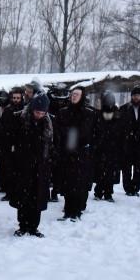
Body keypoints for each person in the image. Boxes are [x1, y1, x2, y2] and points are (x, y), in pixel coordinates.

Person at [9, 93, 53, 237]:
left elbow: (53, 145)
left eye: (42, 112)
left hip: (41, 167)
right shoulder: (20, 119)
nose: (39, 115)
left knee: (37, 197)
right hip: (23, 166)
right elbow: (12, 141)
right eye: (37, 112)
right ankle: (22, 225)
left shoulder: (48, 123)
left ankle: (34, 226)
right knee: (23, 197)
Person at [54, 87, 94, 219]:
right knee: (67, 182)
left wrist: (73, 137)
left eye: (77, 94)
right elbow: (59, 130)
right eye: (72, 94)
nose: (74, 96)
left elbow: (86, 132)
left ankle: (76, 211)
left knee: (79, 183)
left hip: (81, 153)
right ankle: (68, 209)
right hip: (66, 153)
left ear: (82, 96)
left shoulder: (88, 113)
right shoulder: (63, 112)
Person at [119, 86, 140, 196]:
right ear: (131, 96)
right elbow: (121, 125)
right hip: (127, 143)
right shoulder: (124, 108)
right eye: (134, 95)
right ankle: (128, 188)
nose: (136, 97)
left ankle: (135, 188)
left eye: (138, 95)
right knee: (126, 168)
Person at [91, 92, 122, 202]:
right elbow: (94, 130)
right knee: (100, 171)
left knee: (110, 172)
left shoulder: (118, 114)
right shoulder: (98, 114)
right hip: (100, 147)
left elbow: (121, 131)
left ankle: (108, 193)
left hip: (113, 148)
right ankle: (98, 192)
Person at [0, 87, 25, 200]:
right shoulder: (7, 110)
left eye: (18, 98)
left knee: (19, 170)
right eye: (14, 98)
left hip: (21, 144)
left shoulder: (25, 110)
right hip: (8, 144)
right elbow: (3, 127)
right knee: (8, 169)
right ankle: (9, 191)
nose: (16, 100)